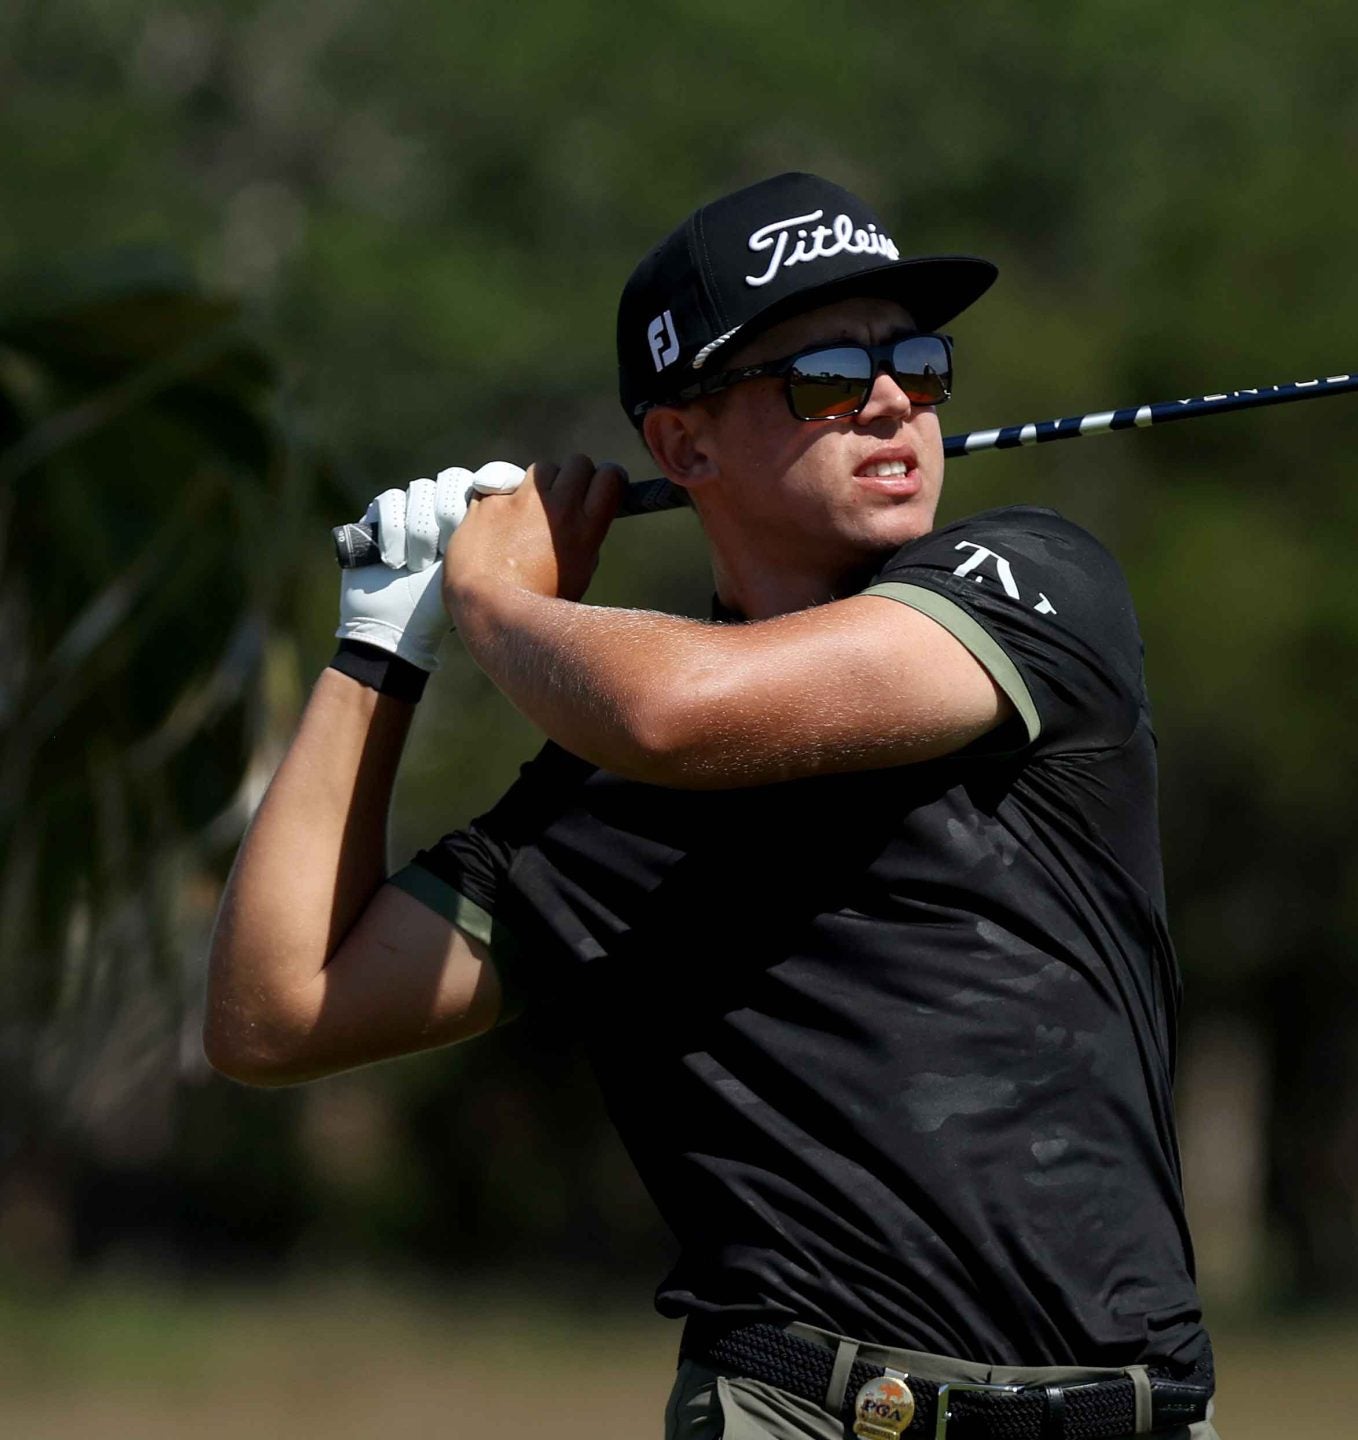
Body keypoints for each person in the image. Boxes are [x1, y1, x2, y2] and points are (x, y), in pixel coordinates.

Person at [203, 172, 1216, 1440]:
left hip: (1125, 1413)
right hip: (798, 1410)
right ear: (685, 448)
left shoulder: (1032, 584)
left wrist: (495, 600)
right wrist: (380, 648)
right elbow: (272, 1014)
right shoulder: (603, 799)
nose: (892, 400)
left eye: (916, 362)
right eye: (825, 378)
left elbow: (678, 711)